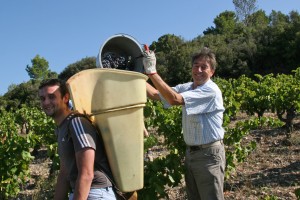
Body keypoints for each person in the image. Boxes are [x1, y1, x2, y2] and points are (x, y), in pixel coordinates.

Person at [143, 47, 226, 200]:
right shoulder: (188, 87)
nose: (198, 70)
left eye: (204, 67)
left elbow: (174, 99)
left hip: (209, 156)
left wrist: (152, 72)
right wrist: (138, 75)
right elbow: (155, 94)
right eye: (196, 65)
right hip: (192, 154)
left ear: (212, 71)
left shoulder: (210, 90)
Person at [38, 79, 116, 200]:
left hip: (96, 193)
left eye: (52, 97)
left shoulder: (76, 123)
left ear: (65, 98)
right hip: (81, 193)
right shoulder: (61, 128)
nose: (46, 102)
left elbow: (86, 174)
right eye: (42, 98)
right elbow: (64, 172)